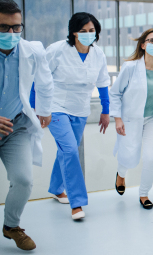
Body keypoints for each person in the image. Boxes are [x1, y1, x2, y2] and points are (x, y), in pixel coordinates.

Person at [44, 12, 111, 220]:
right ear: (73, 32)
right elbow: (40, 78)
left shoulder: (98, 54)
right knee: (71, 149)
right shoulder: (57, 50)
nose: (88, 34)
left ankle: (56, 188)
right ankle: (77, 203)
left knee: (66, 149)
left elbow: (102, 82)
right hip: (56, 106)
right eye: (83, 31)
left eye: (92, 31)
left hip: (80, 109)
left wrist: (106, 110)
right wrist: (38, 108)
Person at [0, 0, 53, 250]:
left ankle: (11, 226)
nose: (12, 34)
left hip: (15, 127)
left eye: (17, 27)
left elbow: (44, 81)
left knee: (23, 180)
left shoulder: (32, 50)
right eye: (4, 28)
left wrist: (44, 109)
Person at [110, 28, 153, 209]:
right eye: (151, 40)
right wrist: (117, 118)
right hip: (131, 118)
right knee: (128, 153)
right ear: (143, 45)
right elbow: (115, 93)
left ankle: (144, 194)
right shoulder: (130, 67)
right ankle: (121, 174)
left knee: (150, 157)